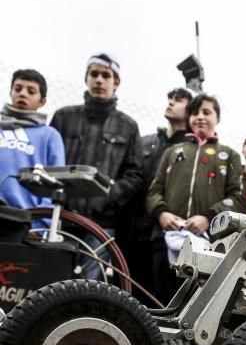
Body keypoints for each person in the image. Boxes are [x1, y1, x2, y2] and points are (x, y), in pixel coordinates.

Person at [50, 52, 143, 279]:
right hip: (60, 218)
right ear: (86, 78)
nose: (99, 80)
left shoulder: (128, 126)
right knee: (50, 278)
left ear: (116, 82)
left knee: (88, 287)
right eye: (94, 74)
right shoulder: (63, 117)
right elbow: (48, 163)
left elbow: (135, 176)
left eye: (106, 75)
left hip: (101, 225)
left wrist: (106, 196)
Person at [146, 93, 244, 305]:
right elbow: (154, 190)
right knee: (162, 302)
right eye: (195, 112)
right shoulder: (173, 152)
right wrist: (161, 213)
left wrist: (208, 218)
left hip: (209, 241)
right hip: (165, 237)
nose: (200, 117)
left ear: (218, 118)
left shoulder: (229, 155)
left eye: (206, 112)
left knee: (197, 304)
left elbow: (236, 197)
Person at [117, 87, 193, 301]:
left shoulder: (192, 150)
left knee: (156, 302)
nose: (171, 102)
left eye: (179, 100)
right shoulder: (146, 141)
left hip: (162, 239)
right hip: (128, 235)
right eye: (170, 98)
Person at [0, 69, 65, 226]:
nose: (23, 94)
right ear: (10, 92)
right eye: (18, 88)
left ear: (42, 101)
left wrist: (40, 224)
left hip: (26, 221)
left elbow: (56, 183)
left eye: (31, 91)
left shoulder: (49, 135)